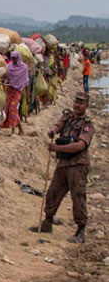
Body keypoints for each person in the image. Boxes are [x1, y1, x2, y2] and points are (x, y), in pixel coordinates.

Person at [32, 92, 94, 243]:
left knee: (77, 196)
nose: (77, 105)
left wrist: (58, 149)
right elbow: (58, 124)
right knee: (53, 191)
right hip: (64, 163)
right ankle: (48, 221)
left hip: (78, 164)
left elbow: (80, 145)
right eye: (76, 102)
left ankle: (80, 230)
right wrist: (53, 130)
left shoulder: (87, 124)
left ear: (86, 106)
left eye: (81, 103)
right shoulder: (68, 116)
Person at [1, 51, 28, 136]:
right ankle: (20, 129)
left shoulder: (24, 67)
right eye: (12, 58)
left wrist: (28, 93)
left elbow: (25, 81)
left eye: (15, 58)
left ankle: (13, 129)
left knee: (13, 108)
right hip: (10, 89)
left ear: (18, 58)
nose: (14, 60)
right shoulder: (9, 66)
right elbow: (7, 77)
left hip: (18, 90)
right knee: (8, 108)